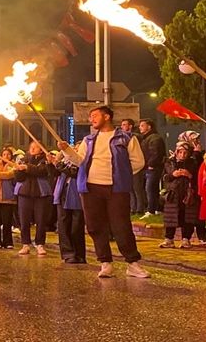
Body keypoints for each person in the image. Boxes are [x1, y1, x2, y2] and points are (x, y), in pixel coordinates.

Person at [59, 105, 150, 278]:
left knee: (121, 225)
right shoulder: (88, 140)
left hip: (116, 188)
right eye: (90, 116)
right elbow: (79, 161)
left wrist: (121, 174)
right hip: (90, 188)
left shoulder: (127, 138)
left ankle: (132, 263)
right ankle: (105, 262)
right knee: (95, 225)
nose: (91, 119)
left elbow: (138, 162)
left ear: (106, 116)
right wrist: (67, 150)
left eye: (94, 115)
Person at [159, 142, 201, 249]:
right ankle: (169, 239)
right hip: (173, 194)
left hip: (188, 194)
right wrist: (173, 175)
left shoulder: (193, 163)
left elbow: (199, 177)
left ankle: (186, 239)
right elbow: (164, 178)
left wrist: (189, 175)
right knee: (170, 218)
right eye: (180, 152)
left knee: (187, 217)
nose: (182, 155)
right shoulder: (170, 162)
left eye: (185, 153)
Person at [14, 141, 53, 256]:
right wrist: (18, 170)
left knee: (41, 220)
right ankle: (25, 244)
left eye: (36, 147)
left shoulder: (46, 159)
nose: (32, 148)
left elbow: (41, 171)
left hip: (41, 193)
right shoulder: (23, 159)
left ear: (41, 149)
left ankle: (40, 244)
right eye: (31, 147)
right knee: (24, 220)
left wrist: (27, 167)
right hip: (25, 193)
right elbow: (19, 178)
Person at [52, 149, 86, 264]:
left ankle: (79, 254)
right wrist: (52, 163)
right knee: (63, 225)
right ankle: (68, 253)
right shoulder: (64, 161)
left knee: (77, 226)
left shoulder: (80, 161)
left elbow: (74, 172)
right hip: (62, 193)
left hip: (76, 194)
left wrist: (58, 165)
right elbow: (53, 174)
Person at [138, 119, 166, 216]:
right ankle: (157, 208)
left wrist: (151, 164)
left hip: (153, 168)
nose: (140, 127)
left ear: (149, 127)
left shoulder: (154, 138)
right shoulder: (146, 138)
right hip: (148, 167)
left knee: (150, 188)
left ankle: (151, 210)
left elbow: (156, 153)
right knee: (152, 189)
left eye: (142, 125)